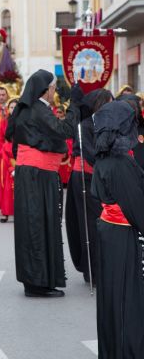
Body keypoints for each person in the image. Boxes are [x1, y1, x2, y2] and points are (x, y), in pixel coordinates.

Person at [5, 70, 82, 298]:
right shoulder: (37, 109)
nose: (55, 91)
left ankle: (40, 280)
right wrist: (74, 105)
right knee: (37, 225)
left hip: (36, 174)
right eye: (53, 87)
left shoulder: (29, 109)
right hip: (37, 176)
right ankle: (38, 282)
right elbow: (64, 130)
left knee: (38, 224)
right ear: (45, 89)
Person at [91, 100, 144, 358]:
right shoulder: (122, 164)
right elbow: (138, 208)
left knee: (112, 296)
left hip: (108, 232)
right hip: (123, 235)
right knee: (127, 296)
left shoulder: (102, 159)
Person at [65, 88, 113, 285]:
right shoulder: (84, 125)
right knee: (90, 225)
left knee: (102, 224)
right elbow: (92, 153)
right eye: (109, 103)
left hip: (99, 178)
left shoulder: (107, 123)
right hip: (85, 177)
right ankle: (92, 269)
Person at [0, 98, 18, 223]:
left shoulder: (24, 121)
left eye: (15, 107)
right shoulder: (5, 122)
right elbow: (1, 138)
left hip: (21, 157)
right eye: (11, 107)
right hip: (8, 157)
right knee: (6, 189)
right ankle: (6, 212)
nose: (13, 109)